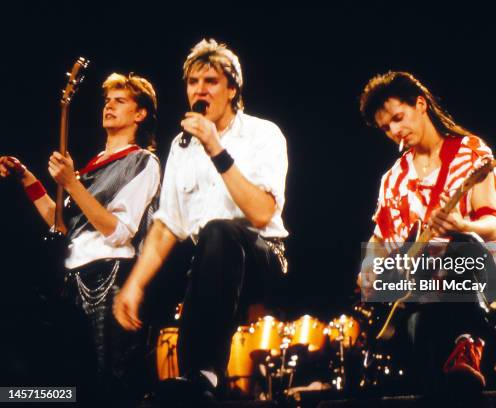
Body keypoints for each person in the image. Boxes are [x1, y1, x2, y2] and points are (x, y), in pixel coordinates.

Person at [113, 38, 288, 402]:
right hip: (209, 262)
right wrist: (134, 286)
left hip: (263, 255)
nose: (199, 89)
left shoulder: (263, 134)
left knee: (219, 232)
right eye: (193, 82)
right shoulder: (181, 147)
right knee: (191, 252)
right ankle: (180, 385)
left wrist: (215, 148)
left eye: (210, 81)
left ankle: (204, 371)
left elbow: (261, 212)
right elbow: (166, 226)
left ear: (232, 89)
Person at [0, 72, 161, 406]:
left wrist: (71, 183)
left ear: (140, 113)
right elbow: (61, 222)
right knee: (69, 383)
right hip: (74, 277)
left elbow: (118, 231)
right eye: (107, 100)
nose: (109, 106)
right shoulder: (90, 168)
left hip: (111, 277)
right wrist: (26, 177)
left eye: (120, 101)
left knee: (108, 382)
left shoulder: (143, 161)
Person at [358, 71, 496, 396]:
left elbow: (491, 226)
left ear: (421, 104)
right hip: (422, 291)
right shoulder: (393, 179)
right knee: (417, 330)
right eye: (386, 128)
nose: (395, 131)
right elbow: (380, 239)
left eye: (399, 118)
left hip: (468, 274)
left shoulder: (470, 153)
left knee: (464, 245)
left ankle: (469, 343)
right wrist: (368, 268)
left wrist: (463, 225)